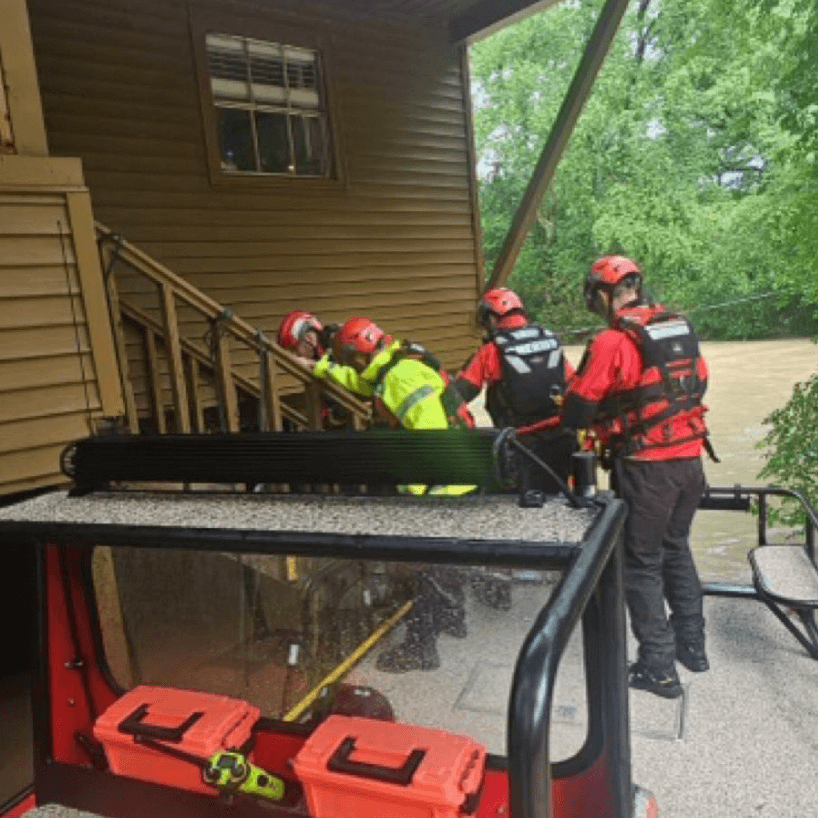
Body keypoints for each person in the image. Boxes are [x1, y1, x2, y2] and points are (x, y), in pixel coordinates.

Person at [561, 255, 713, 699]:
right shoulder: (679, 327)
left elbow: (579, 406)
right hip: (690, 463)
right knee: (676, 548)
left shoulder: (611, 341)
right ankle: (693, 647)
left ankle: (658, 668)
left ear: (604, 295)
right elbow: (697, 385)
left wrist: (592, 417)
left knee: (641, 563)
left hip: (649, 468)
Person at [330, 316, 475, 673]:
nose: (353, 368)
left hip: (441, 481)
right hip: (455, 474)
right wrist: (322, 368)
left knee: (418, 568)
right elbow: (363, 385)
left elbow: (428, 440)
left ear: (360, 354)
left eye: (351, 361)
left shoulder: (399, 376)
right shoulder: (392, 365)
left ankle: (420, 648)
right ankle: (454, 618)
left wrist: (413, 497)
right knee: (445, 560)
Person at [443, 287, 576, 609]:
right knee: (563, 510)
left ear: (491, 318)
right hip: (562, 442)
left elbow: (460, 395)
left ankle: (498, 593)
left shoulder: (491, 351)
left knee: (501, 515)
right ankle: (567, 583)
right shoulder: (551, 341)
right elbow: (575, 387)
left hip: (519, 445)